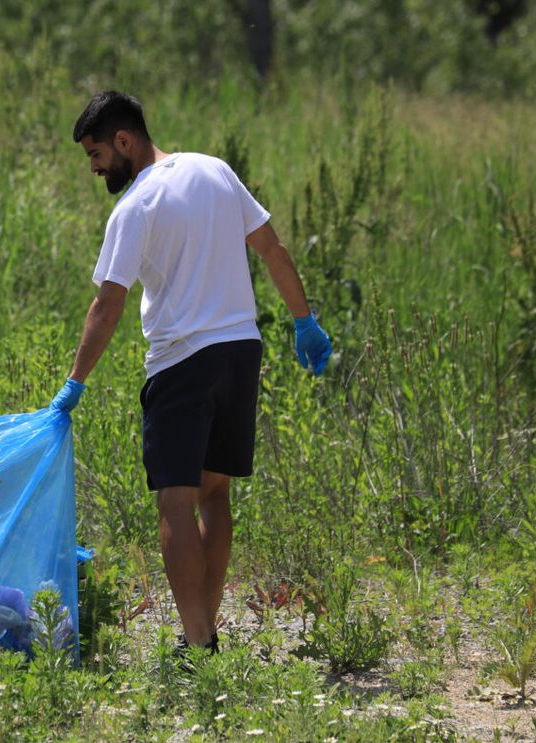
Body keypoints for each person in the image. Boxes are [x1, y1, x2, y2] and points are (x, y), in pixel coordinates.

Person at [49, 91, 331, 654]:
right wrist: (305, 320)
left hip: (182, 361)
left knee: (175, 502)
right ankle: (202, 630)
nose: (94, 167)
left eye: (97, 153)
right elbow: (271, 248)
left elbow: (107, 305)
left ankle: (200, 646)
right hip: (241, 350)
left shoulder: (135, 206)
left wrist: (75, 381)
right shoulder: (216, 171)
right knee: (214, 493)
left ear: (124, 141)